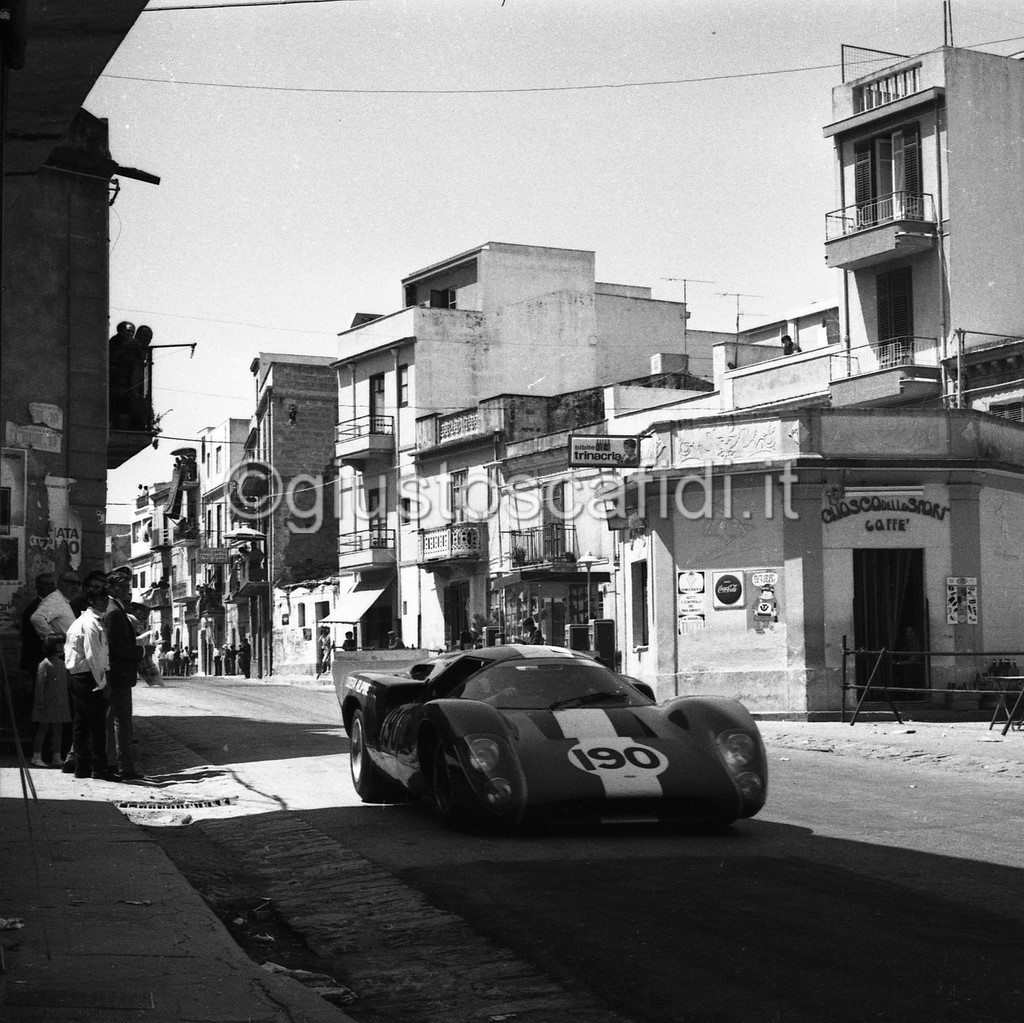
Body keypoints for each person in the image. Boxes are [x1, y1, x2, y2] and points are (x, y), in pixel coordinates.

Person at [64, 571, 115, 780]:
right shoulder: (91, 623)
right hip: (88, 677)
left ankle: (82, 767)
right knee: (95, 725)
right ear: (93, 600)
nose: (105, 603)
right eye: (103, 599)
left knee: (81, 723)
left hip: (79, 676)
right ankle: (98, 768)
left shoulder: (84, 620)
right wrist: (103, 683)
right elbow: (94, 656)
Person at [103, 570, 144, 780]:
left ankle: (118, 763)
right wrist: (142, 651)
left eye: (128, 587)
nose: (127, 592)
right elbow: (115, 647)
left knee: (114, 720)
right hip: (118, 674)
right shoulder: (113, 612)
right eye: (122, 587)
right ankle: (125, 766)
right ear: (111, 588)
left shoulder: (116, 609)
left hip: (118, 674)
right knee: (122, 722)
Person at [31, 636, 71, 768]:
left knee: (58, 729)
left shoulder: (62, 663)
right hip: (47, 702)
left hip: (59, 702)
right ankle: (36, 756)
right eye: (58, 645)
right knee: (43, 728)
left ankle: (56, 757)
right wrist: (40, 702)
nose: (61, 647)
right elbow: (40, 684)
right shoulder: (45, 664)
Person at [30, 571, 81, 642]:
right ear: (61, 584)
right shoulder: (55, 600)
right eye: (71, 583)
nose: (76, 587)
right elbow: (37, 618)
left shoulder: (64, 600)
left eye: (78, 584)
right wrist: (53, 637)